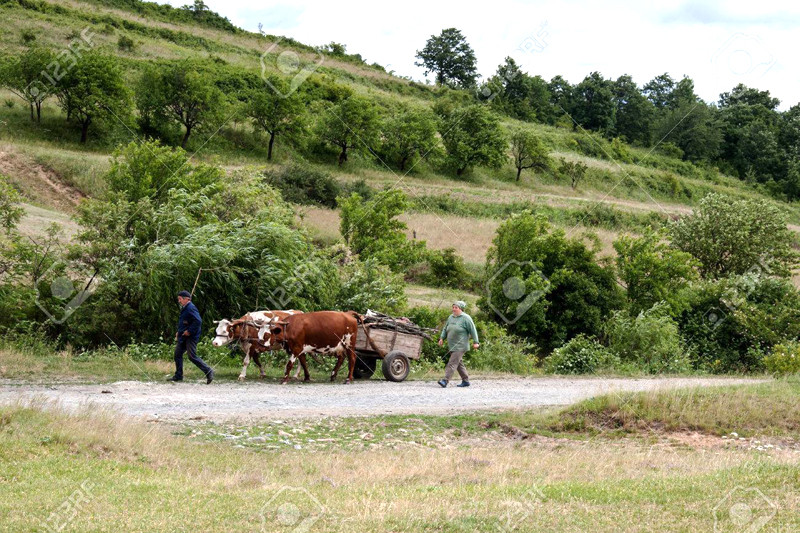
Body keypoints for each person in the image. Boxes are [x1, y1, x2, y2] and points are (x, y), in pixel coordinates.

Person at [168, 290, 214, 384]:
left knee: (192, 356)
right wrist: (179, 331)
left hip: (191, 337)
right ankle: (178, 376)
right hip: (183, 336)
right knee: (177, 354)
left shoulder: (190, 308)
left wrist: (189, 331)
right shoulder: (185, 307)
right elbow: (185, 321)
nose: (179, 301)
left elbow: (198, 321)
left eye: (180, 299)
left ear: (186, 299)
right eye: (178, 299)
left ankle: (208, 371)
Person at [437, 300, 479, 388]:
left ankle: (445, 380)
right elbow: (445, 328)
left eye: (456, 308)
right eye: (453, 307)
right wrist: (442, 338)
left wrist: (476, 342)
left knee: (452, 363)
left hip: (461, 346)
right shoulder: (451, 317)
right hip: (452, 345)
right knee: (459, 363)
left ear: (461, 309)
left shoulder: (466, 318)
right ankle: (465, 380)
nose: (454, 309)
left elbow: (473, 330)